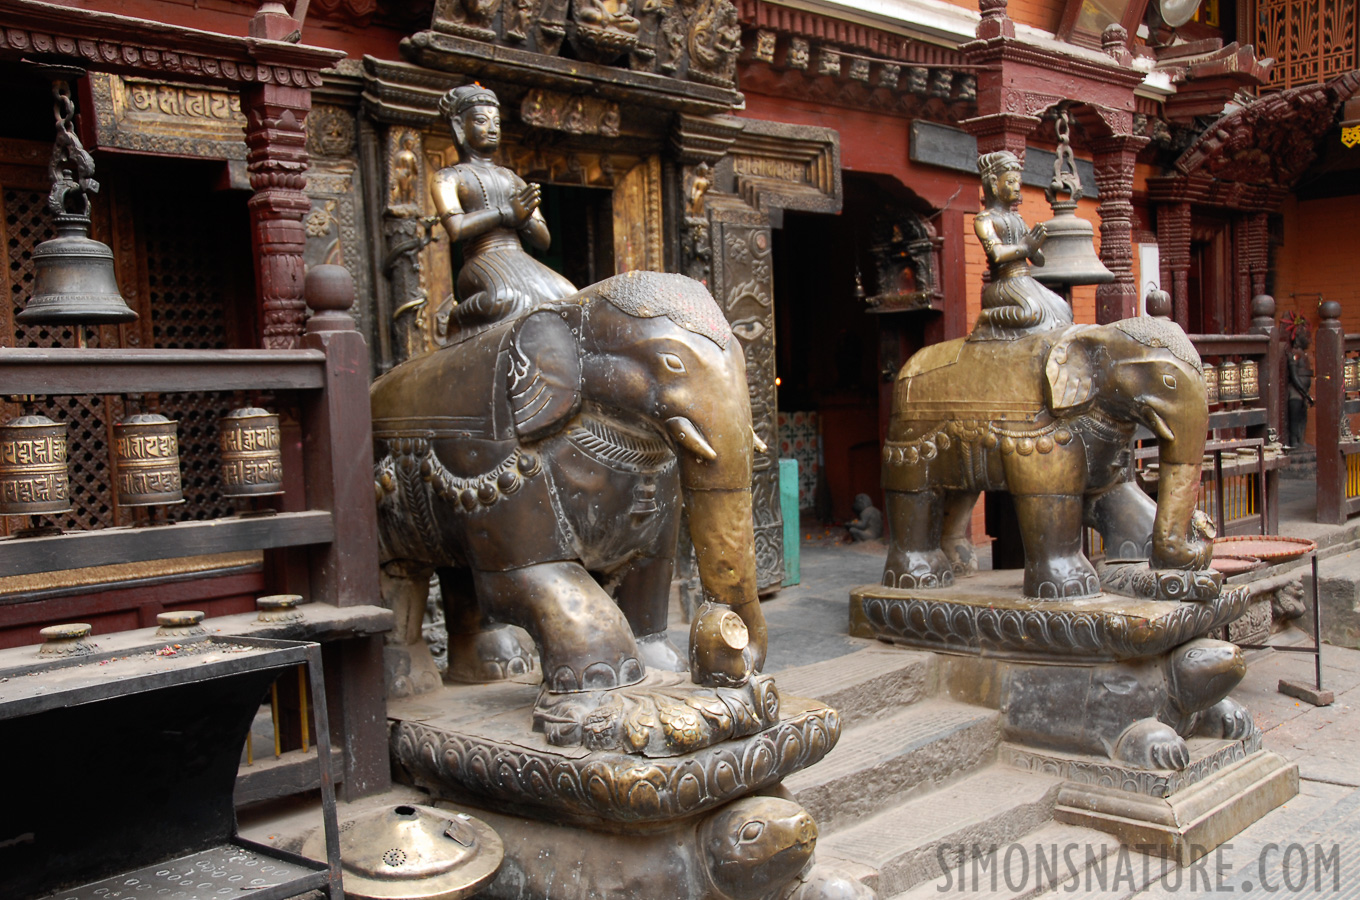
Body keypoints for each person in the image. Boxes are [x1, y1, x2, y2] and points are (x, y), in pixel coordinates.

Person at [431, 84, 576, 334]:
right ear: (458, 126)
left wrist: (524, 219)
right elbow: (456, 228)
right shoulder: (448, 177)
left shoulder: (512, 179)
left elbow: (544, 240)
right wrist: (506, 213)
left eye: (496, 123)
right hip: (482, 259)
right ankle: (455, 317)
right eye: (481, 121)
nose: (491, 128)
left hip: (519, 256)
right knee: (505, 299)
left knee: (570, 297)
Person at [969, 151, 1073, 342]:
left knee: (1063, 309)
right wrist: (1025, 248)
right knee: (1031, 313)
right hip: (1003, 284)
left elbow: (1039, 260)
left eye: (1019, 183)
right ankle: (988, 317)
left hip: (1025, 281)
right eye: (1010, 182)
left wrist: (1036, 246)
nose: (1017, 188)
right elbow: (997, 254)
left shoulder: (1017, 219)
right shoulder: (984, 219)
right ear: (994, 183)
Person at [1287, 325, 1314, 449]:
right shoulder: (1294, 354)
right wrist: (1304, 393)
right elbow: (1294, 376)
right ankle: (1294, 442)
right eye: (1306, 337)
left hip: (1304, 393)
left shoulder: (1304, 355)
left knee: (1303, 418)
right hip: (1296, 392)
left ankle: (1301, 441)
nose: (1309, 341)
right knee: (1295, 418)